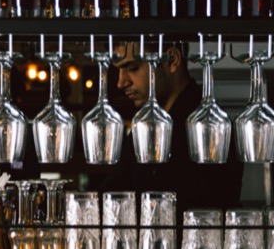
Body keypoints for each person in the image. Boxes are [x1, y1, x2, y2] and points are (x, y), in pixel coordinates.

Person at [101, 40, 244, 214]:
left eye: (133, 68)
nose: (121, 82)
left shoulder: (210, 127)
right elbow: (111, 193)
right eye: (118, 70)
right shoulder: (146, 123)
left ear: (172, 60)